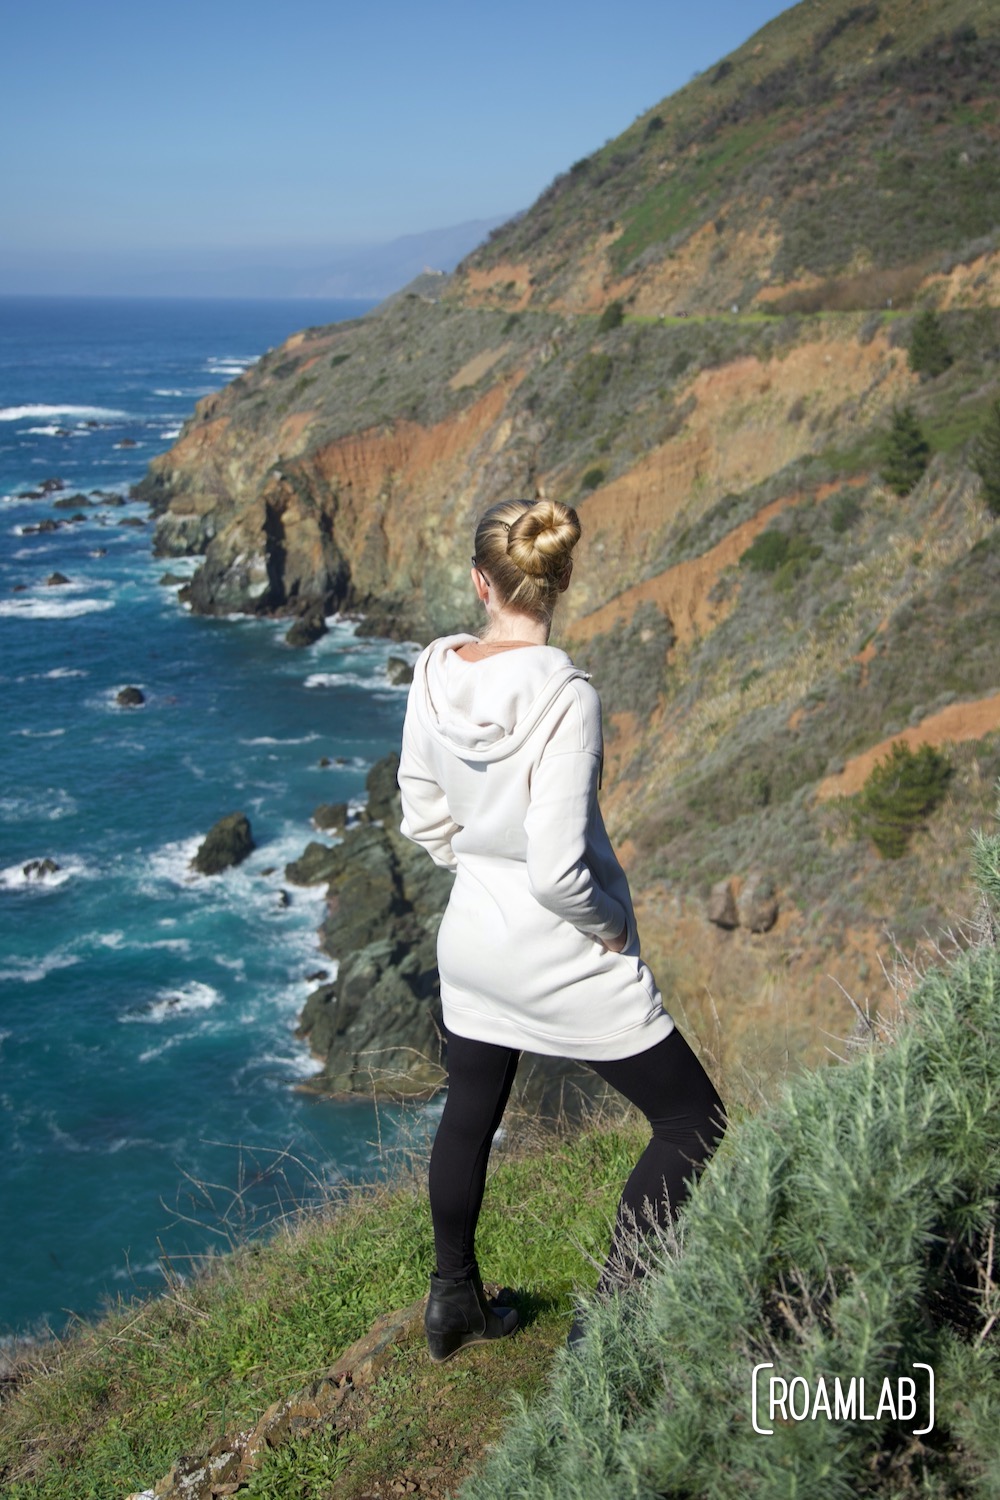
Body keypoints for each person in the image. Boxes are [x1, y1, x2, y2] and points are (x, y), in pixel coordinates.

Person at [397, 497, 726, 1362]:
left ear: (482, 582)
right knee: (694, 1123)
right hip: (561, 950)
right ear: (559, 581)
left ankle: (452, 1301)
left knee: (469, 1114)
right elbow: (557, 867)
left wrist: (475, 872)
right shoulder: (566, 697)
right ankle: (604, 1331)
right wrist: (614, 925)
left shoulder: (432, 672)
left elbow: (423, 816)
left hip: (472, 937)